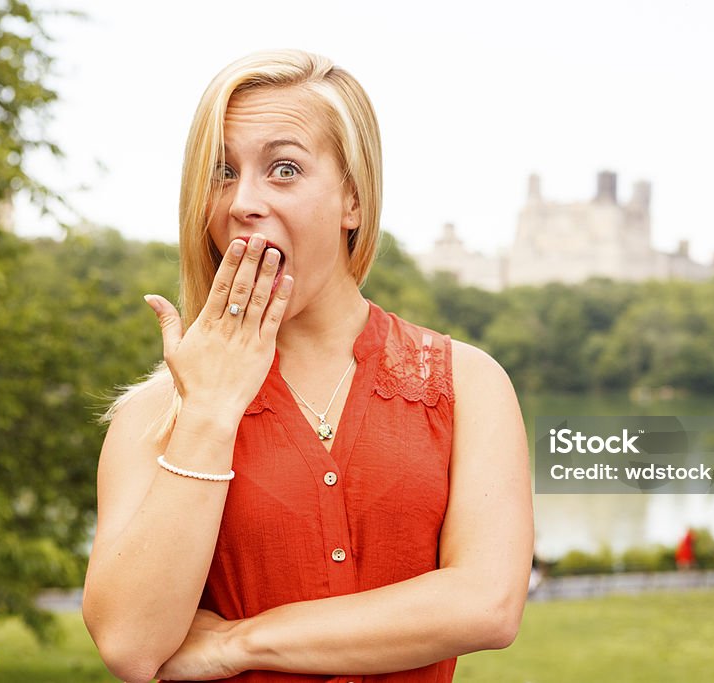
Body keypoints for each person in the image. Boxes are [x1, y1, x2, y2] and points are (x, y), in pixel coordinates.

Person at [81, 49, 533, 683]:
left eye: (284, 169)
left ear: (353, 197)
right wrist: (208, 414)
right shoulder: (153, 415)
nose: (242, 201)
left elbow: (487, 605)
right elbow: (130, 644)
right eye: (222, 172)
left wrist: (236, 643)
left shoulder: (468, 384)